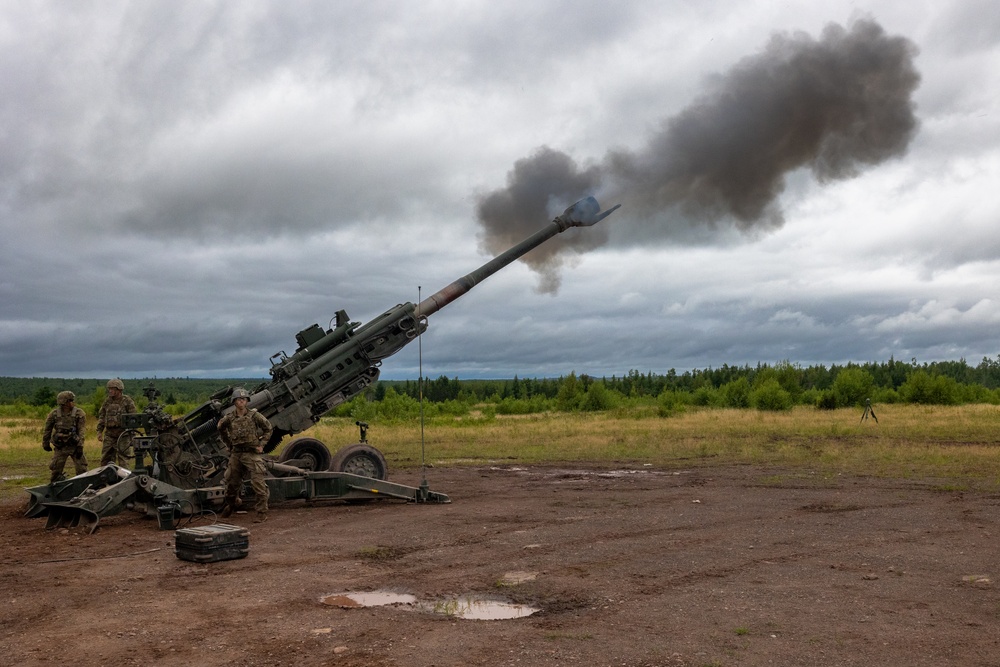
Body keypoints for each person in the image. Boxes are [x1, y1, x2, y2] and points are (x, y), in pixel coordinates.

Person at [217, 388, 273, 522]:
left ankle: (261, 513)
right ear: (234, 402)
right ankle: (231, 505)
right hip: (236, 454)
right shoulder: (229, 418)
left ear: (247, 401)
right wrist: (228, 444)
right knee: (231, 484)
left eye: (244, 399)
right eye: (238, 399)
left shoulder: (255, 416)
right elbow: (220, 428)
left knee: (258, 484)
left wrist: (262, 444)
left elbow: (268, 428)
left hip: (251, 453)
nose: (241, 401)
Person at [42, 391, 88, 484]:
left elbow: (82, 430)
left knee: (82, 469)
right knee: (56, 470)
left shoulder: (79, 413)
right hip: (61, 446)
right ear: (65, 402)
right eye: (71, 400)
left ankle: (83, 486)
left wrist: (80, 446)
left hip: (75, 446)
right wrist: (45, 443)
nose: (73, 402)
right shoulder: (54, 414)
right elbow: (48, 429)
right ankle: (55, 489)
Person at [97, 378, 137, 466]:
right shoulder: (107, 401)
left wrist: (132, 435)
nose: (110, 391)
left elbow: (133, 418)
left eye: (112, 389)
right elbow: (102, 416)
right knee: (105, 460)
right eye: (109, 389)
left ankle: (124, 478)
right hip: (109, 435)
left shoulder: (127, 401)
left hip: (123, 435)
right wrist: (99, 431)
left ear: (119, 390)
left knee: (123, 460)